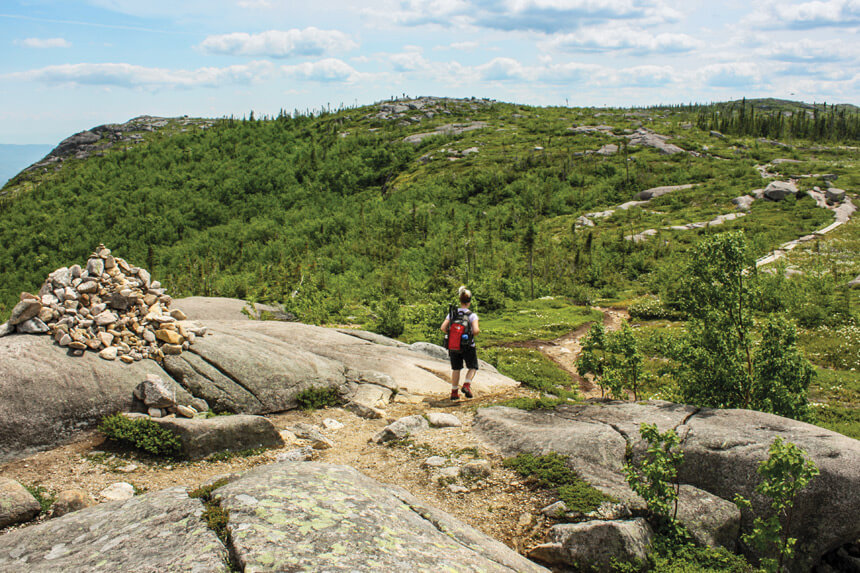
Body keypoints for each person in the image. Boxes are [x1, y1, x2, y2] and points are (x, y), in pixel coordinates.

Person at [440, 286, 480, 400]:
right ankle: (467, 385)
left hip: (453, 345)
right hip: (468, 346)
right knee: (473, 367)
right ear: (469, 302)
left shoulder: (452, 314)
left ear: (460, 300)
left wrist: (454, 334)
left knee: (456, 369)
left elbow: (443, 327)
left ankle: (454, 393)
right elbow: (476, 331)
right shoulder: (472, 315)